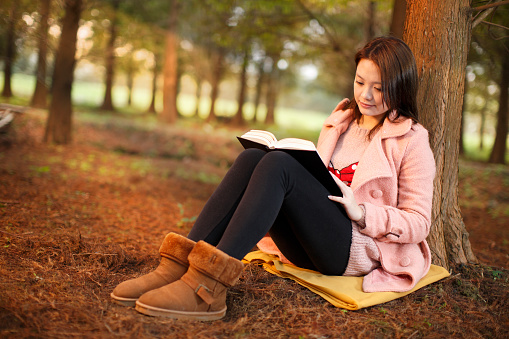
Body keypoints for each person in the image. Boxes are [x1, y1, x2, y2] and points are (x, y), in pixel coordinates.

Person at [110, 36, 435, 321]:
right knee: (255, 157)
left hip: (352, 250)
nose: (366, 95)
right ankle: (178, 267)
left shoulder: (411, 139)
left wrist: (363, 213)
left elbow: (419, 221)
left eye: (379, 88)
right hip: (308, 242)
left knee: (279, 164)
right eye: (360, 81)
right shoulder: (342, 121)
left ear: (399, 87)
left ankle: (207, 289)